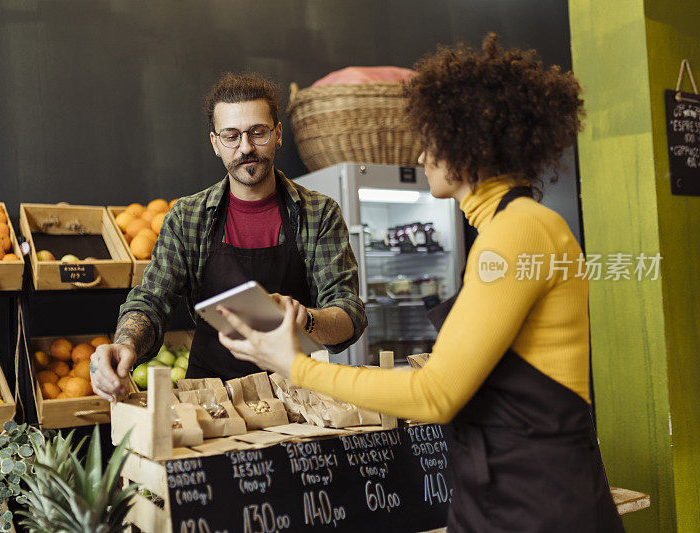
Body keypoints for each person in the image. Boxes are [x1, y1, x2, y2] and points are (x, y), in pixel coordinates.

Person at [217, 35, 625, 532]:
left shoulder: (520, 232)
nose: (422, 151)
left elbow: (436, 395)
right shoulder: (509, 227)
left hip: (538, 503)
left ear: (469, 143)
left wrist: (294, 366)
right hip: (508, 491)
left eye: (431, 136)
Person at [90, 72, 366, 398]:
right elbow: (152, 301)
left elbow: (349, 313)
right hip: (211, 394)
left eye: (258, 133)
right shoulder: (187, 218)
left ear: (278, 134)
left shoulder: (318, 213)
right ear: (215, 144)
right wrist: (125, 345)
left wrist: (303, 318)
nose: (246, 147)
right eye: (231, 136)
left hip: (298, 394)